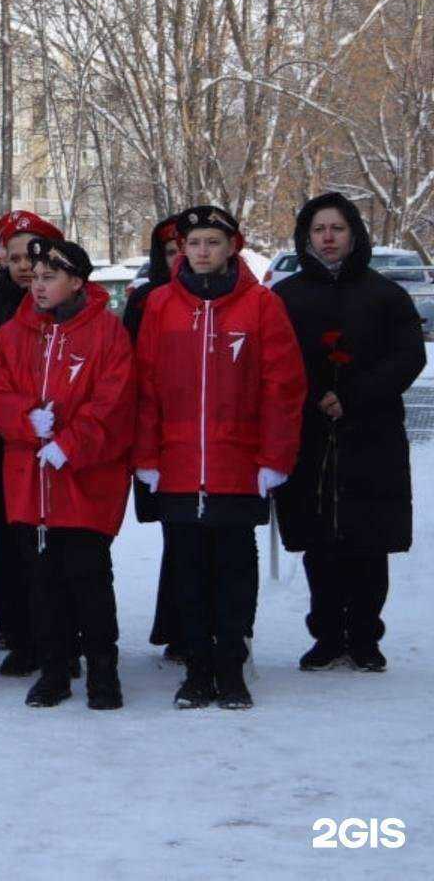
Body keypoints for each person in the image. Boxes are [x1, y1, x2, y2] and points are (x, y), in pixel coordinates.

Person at [133, 204, 305, 709]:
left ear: (233, 247)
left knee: (234, 566)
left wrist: (274, 457)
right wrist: (149, 456)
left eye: (213, 242)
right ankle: (196, 668)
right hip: (180, 463)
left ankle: (231, 665)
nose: (203, 251)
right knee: (186, 567)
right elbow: (146, 388)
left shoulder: (261, 306)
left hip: (238, 463)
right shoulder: (161, 305)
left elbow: (283, 386)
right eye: (194, 243)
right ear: (180, 250)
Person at [0, 237, 135, 710]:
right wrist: (25, 420)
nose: (38, 285)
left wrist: (71, 442)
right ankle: (54, 669)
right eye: (35, 277)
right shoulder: (12, 334)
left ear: (75, 282)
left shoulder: (107, 333)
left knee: (88, 578)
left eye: (50, 277)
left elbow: (114, 400)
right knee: (41, 580)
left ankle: (103, 673)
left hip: (85, 482)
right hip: (31, 480)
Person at [273, 192, 424, 673]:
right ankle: (326, 633)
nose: (329, 238)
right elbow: (277, 359)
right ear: (306, 237)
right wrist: (315, 392)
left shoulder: (385, 294)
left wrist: (355, 395)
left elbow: (407, 356)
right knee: (320, 539)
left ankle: (364, 634)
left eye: (337, 229)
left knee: (367, 539)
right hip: (313, 432)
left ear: (353, 233)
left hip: (369, 433)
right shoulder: (288, 296)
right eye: (319, 230)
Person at [0, 209, 64, 674]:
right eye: (15, 255)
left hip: (59, 445)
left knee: (59, 541)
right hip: (4, 443)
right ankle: (15, 623)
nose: (26, 266)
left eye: (35, 255)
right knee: (9, 540)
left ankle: (61, 626)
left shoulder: (67, 304)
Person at [123, 215, 185, 660]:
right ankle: (179, 627)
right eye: (171, 252)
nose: (183, 259)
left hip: (214, 434)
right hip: (162, 433)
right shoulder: (146, 300)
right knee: (178, 534)